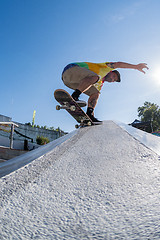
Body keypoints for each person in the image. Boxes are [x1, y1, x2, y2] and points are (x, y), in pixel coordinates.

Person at [62, 61, 149, 124]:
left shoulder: (99, 84)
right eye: (113, 76)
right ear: (111, 71)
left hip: (70, 82)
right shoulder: (105, 68)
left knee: (96, 93)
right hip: (71, 70)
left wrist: (90, 116)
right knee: (95, 77)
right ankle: (75, 96)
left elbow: (93, 98)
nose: (112, 79)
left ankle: (89, 114)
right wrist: (136, 67)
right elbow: (118, 64)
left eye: (114, 80)